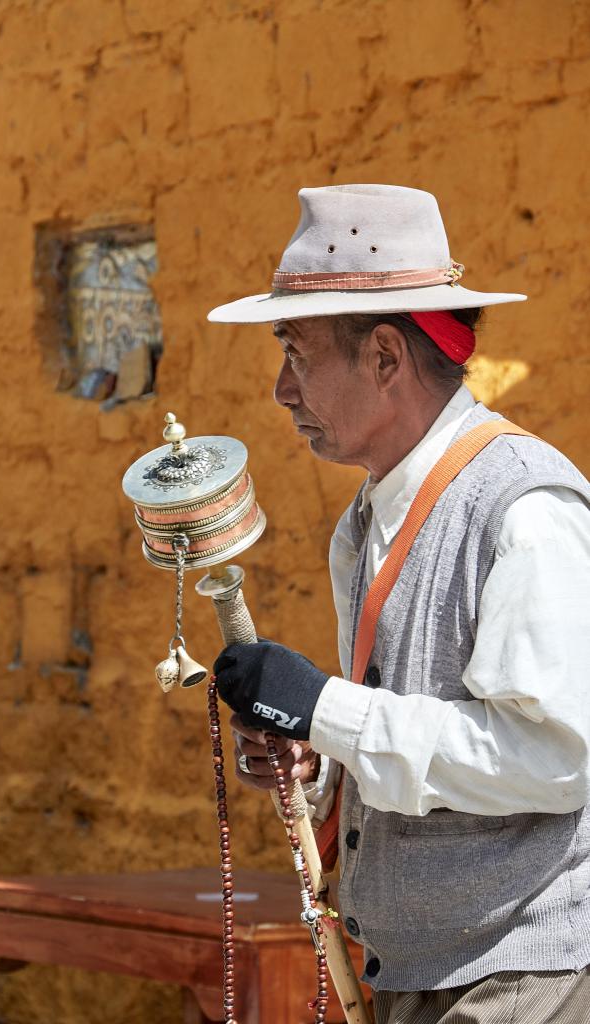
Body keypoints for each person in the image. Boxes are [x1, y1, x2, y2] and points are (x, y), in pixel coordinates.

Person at [207, 185, 590, 1024]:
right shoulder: (366, 521)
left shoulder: (524, 508)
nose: (281, 389)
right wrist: (316, 764)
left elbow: (553, 761)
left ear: (384, 356)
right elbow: (413, 728)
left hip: (520, 976)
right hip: (420, 965)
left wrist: (327, 709)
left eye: (296, 353)